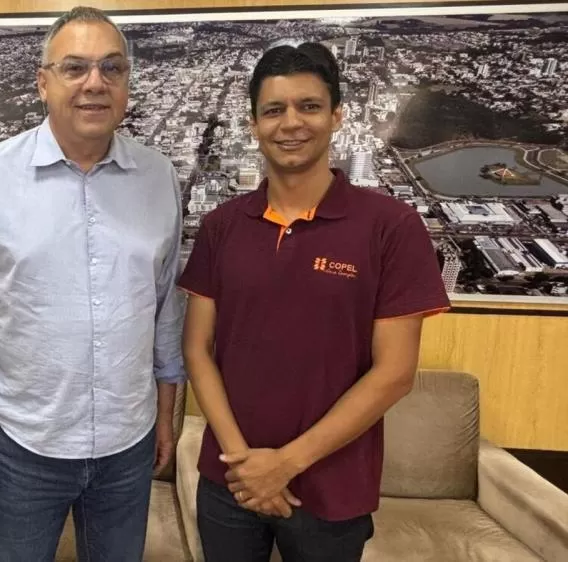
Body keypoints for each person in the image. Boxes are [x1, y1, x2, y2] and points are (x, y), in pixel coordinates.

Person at [178, 42, 451, 561]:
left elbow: (394, 373)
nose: (291, 123)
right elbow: (198, 349)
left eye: (309, 106)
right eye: (274, 110)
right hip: (229, 482)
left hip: (332, 488)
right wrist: (244, 463)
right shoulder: (222, 226)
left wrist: (284, 464)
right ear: (254, 124)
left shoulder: (391, 227)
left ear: (337, 116)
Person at [0, 6, 186, 561]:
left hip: (129, 441)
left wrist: (167, 415)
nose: (94, 83)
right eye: (75, 68)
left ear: (127, 83)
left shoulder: (158, 176)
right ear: (43, 83)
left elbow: (167, 308)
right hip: (24, 445)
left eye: (112, 68)